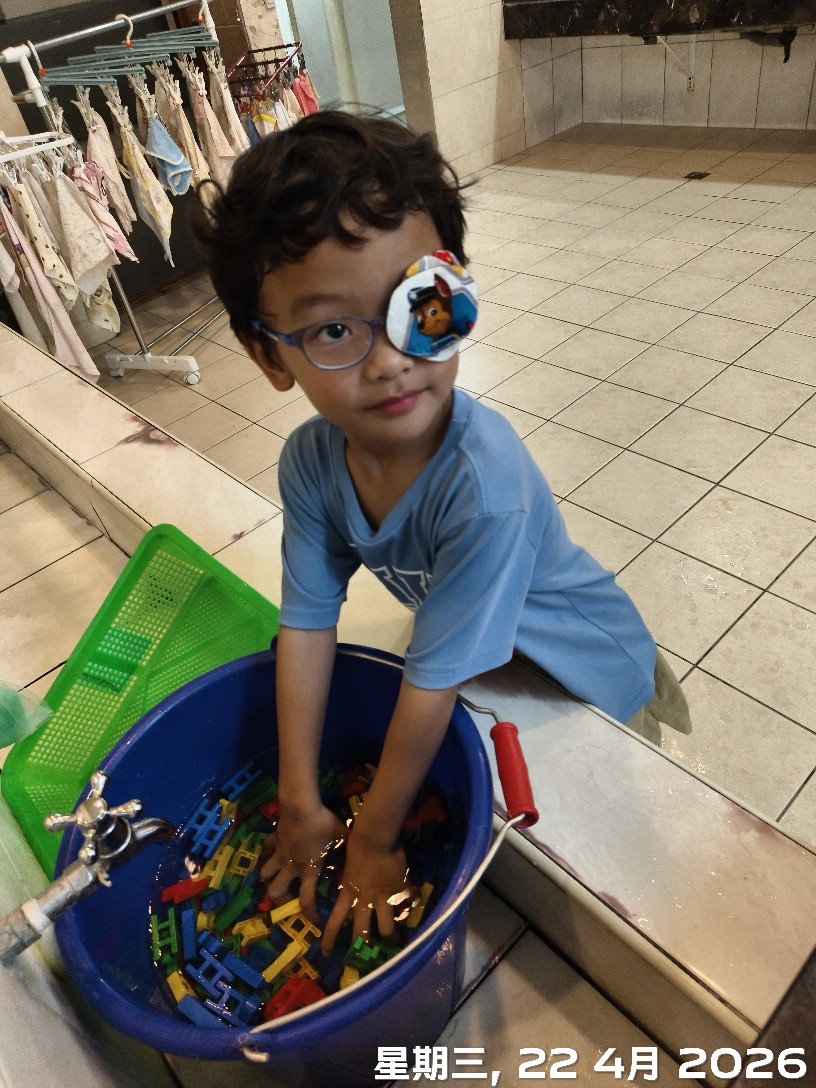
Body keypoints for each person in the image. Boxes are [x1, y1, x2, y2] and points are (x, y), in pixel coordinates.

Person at [193, 110, 690, 957]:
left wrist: (375, 839)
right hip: (493, 673)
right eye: (334, 329)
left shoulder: (482, 485)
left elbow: (430, 686)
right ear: (270, 356)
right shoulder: (311, 463)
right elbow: (305, 629)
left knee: (614, 863)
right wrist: (301, 799)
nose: (390, 360)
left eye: (416, 305)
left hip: (583, 674)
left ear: (452, 287)